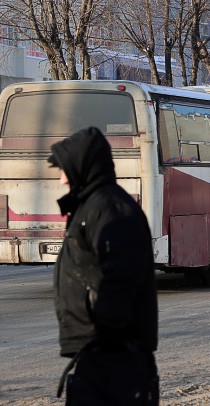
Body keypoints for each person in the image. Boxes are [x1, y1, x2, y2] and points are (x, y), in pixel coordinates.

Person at [49, 127, 159, 403]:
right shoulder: (94, 206)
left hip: (114, 355)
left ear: (82, 168)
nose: (62, 180)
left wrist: (104, 331)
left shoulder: (109, 208)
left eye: (65, 170)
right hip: (101, 351)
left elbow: (121, 277)